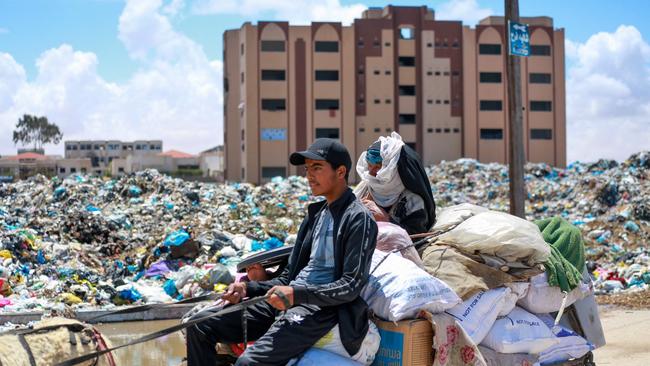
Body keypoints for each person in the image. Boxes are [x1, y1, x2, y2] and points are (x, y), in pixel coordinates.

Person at [185, 138, 378, 366]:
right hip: (291, 300)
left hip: (321, 309)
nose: (309, 175)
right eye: (307, 169)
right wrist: (247, 287)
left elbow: (350, 286)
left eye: (317, 168)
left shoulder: (358, 219)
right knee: (199, 324)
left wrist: (297, 295)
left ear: (341, 171)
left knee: (248, 363)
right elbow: (288, 277)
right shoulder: (316, 215)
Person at [355, 132, 436, 235]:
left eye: (377, 167)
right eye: (369, 166)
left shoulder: (412, 201)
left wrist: (386, 220)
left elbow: (417, 236)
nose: (371, 172)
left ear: (393, 169)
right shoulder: (364, 190)